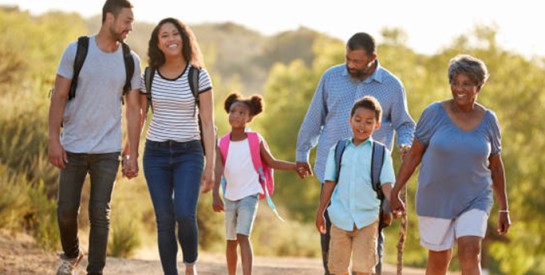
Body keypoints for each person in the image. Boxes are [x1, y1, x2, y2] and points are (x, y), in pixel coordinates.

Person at [296, 32, 415, 274]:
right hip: (334, 170)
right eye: (348, 59)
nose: (351, 65)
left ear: (373, 58)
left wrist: (405, 144)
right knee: (331, 241)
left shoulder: (392, 86)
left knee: (371, 243)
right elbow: (314, 117)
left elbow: (405, 123)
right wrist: (302, 153)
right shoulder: (331, 77)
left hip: (372, 179)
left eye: (357, 61)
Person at [390, 54, 511, 274]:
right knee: (438, 263)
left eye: (466, 83)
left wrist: (504, 208)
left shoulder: (489, 120)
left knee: (470, 253)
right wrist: (395, 191)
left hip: (475, 197)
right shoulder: (434, 113)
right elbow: (415, 155)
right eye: (454, 83)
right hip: (436, 197)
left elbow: (495, 165)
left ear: (478, 86)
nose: (458, 88)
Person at [47, 0, 141, 274]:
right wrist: (54, 140)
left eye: (132, 22)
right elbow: (59, 97)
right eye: (126, 21)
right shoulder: (77, 50)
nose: (130, 27)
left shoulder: (130, 60)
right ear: (109, 18)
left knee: (100, 214)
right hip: (73, 145)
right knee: (65, 211)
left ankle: (95, 270)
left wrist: (131, 153)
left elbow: (134, 110)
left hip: (107, 150)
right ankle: (72, 253)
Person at [138, 17, 215, 275]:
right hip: (155, 155)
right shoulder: (148, 76)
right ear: (157, 44)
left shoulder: (198, 75)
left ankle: (190, 262)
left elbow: (207, 123)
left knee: (184, 213)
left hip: (189, 154)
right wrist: (130, 152)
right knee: (164, 220)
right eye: (164, 36)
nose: (171, 39)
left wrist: (211, 167)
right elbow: (138, 117)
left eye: (175, 34)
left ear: (183, 38)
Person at [212, 92, 297, 275]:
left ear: (249, 118)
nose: (236, 115)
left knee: (243, 236)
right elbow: (217, 170)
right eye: (233, 111)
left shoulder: (255, 140)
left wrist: (295, 167)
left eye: (242, 113)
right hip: (230, 196)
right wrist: (214, 194)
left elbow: (272, 162)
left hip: (250, 194)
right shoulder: (222, 143)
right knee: (230, 241)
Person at [316, 96, 395, 275]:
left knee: (364, 268)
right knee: (336, 268)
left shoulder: (381, 153)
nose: (362, 126)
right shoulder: (338, 149)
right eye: (358, 120)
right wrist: (321, 211)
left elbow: (387, 184)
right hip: (339, 217)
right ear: (350, 120)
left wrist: (394, 203)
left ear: (377, 124)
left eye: (369, 122)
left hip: (367, 218)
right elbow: (329, 182)